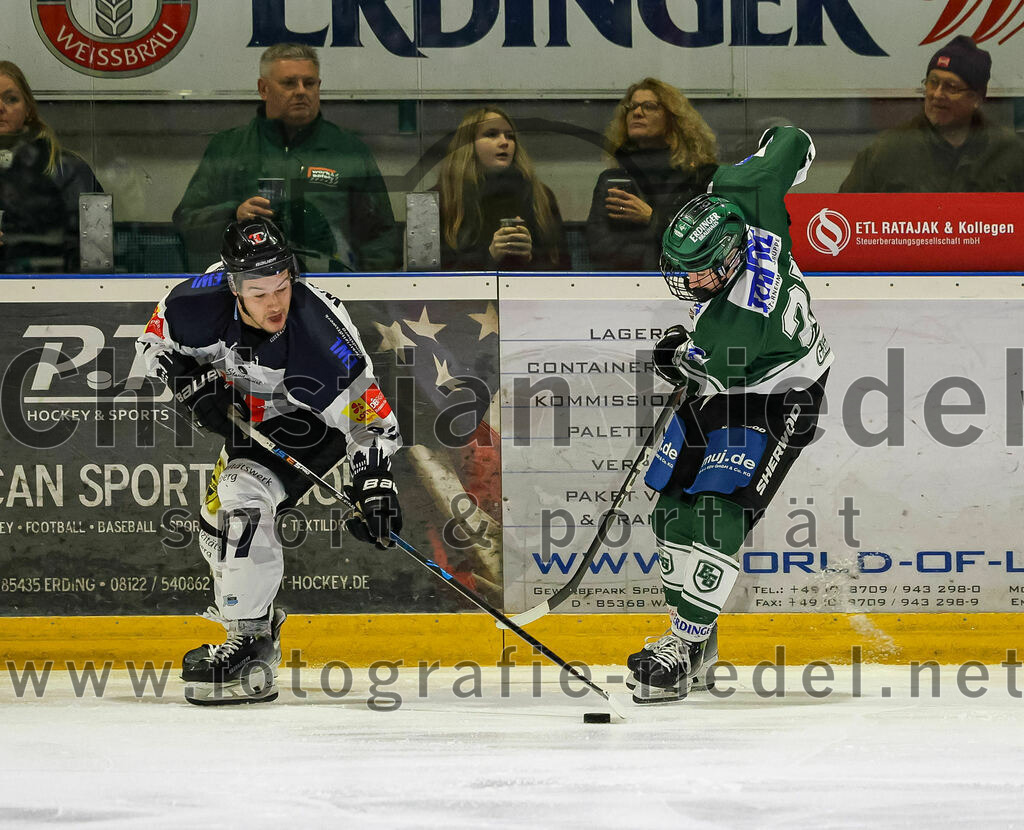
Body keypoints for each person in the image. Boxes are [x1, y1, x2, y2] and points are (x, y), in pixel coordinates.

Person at [137, 217, 403, 705]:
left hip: (311, 424)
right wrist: (188, 385)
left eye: (282, 286)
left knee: (242, 498)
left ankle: (250, 641)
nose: (275, 303)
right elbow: (154, 343)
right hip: (250, 417)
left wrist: (376, 487)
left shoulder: (321, 340)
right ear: (233, 287)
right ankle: (259, 626)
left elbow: (374, 424)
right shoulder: (193, 303)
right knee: (215, 532)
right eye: (259, 294)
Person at [628, 126, 833, 704]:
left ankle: (682, 645)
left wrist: (675, 354)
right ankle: (699, 642)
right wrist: (778, 149)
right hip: (727, 377)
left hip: (780, 392)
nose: (687, 284)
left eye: (698, 275)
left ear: (729, 259)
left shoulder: (742, 318)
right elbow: (793, 140)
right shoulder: (745, 190)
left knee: (717, 511)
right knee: (670, 510)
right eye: (682, 270)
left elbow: (701, 366)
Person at [173, 44, 399, 273]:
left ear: (318, 87)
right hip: (249, 291)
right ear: (263, 89)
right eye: (289, 83)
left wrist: (367, 295)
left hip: (331, 289)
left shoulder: (349, 150)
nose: (301, 91)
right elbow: (187, 225)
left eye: (309, 83)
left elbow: (381, 238)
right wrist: (233, 215)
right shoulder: (229, 148)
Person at [840, 36, 1024, 192]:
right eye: (932, 83)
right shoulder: (885, 152)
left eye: (951, 87)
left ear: (976, 97)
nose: (937, 95)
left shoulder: (1010, 152)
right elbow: (845, 217)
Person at [585, 78, 718, 271]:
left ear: (673, 118)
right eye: (632, 107)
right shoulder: (613, 179)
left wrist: (651, 219)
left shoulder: (699, 176)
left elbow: (704, 244)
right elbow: (599, 249)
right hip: (623, 284)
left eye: (649, 106)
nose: (637, 113)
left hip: (685, 285)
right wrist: (661, 234)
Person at [434, 106, 569, 271]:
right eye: (491, 134)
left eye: (510, 137)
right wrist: (489, 256)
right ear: (468, 143)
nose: (504, 142)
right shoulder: (444, 197)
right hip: (468, 296)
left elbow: (563, 270)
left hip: (525, 294)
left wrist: (529, 256)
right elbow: (434, 279)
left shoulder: (540, 196)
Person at [0, 61, 102, 273]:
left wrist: (19, 237)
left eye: (11, 99)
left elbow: (96, 254)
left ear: (28, 110)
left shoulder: (68, 170)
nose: (0, 108)